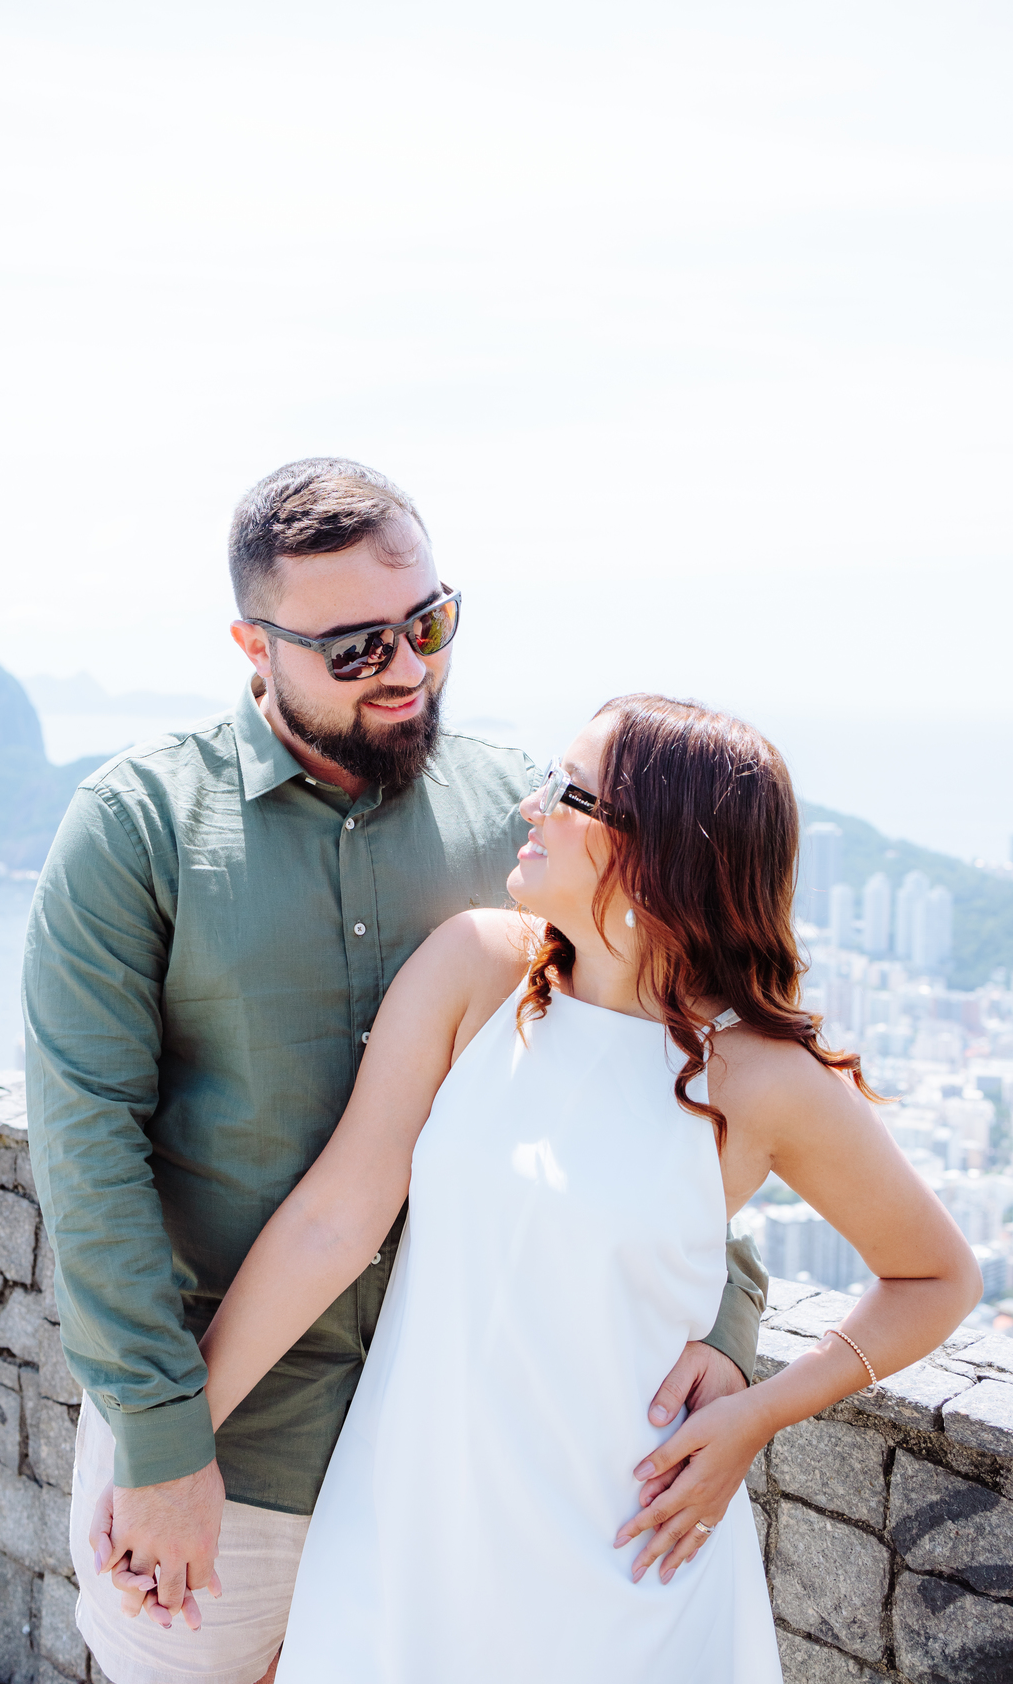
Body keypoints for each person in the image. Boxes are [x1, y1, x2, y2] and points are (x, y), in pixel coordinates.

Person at [24, 460, 767, 1684]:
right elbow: (86, 1149)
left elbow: (655, 1064)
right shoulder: (136, 830)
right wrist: (159, 1449)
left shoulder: (521, 825)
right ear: (251, 645)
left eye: (429, 623)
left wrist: (732, 1326)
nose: (410, 668)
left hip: (471, 1455)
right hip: (234, 1447)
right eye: (358, 646)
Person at [182, 694, 982, 1682]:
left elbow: (937, 1277)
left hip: (625, 1568)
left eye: (569, 792)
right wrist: (174, 1438)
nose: (529, 806)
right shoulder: (476, 970)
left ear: (656, 852)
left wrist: (759, 1411)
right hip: (411, 1533)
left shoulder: (764, 1079)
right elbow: (330, 1220)